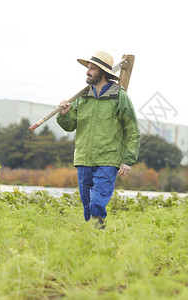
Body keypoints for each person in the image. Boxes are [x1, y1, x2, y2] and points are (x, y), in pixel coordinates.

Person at [57, 51, 140, 228]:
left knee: (97, 203)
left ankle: (98, 234)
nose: (87, 72)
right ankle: (93, 240)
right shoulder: (82, 97)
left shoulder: (119, 97)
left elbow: (132, 130)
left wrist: (128, 160)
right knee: (87, 205)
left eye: (92, 69)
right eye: (88, 68)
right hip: (84, 158)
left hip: (108, 160)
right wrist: (64, 114)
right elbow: (70, 125)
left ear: (102, 73)